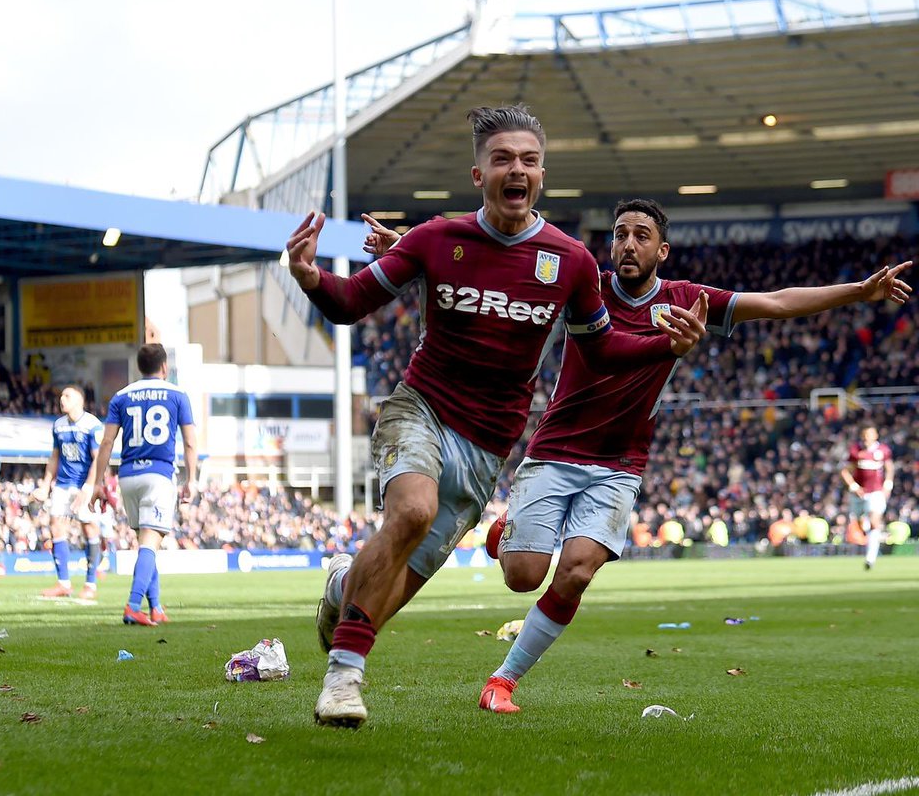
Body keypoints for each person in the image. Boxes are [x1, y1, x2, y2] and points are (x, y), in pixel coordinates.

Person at [361, 198, 912, 713]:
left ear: (661, 251)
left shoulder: (684, 300)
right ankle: (510, 533)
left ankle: (502, 681)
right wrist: (408, 245)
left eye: (641, 236)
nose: (627, 244)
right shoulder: (583, 284)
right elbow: (493, 261)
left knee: (576, 573)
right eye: (621, 235)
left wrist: (856, 292)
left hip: (619, 465)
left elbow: (774, 303)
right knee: (524, 578)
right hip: (554, 451)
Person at [287, 105, 706, 727]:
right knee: (412, 511)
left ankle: (343, 589)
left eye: (530, 160)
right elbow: (350, 303)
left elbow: (602, 348)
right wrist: (309, 276)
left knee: (399, 582)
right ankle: (343, 681)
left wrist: (663, 344)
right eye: (504, 158)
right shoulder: (436, 239)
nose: (518, 169)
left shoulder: (570, 261)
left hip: (488, 444)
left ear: (542, 175)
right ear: (478, 172)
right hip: (422, 408)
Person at [90, 344, 198, 626]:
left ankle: (156, 607)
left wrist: (98, 483)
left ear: (140, 367)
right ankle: (133, 605)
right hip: (158, 476)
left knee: (145, 543)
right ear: (164, 367)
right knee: (150, 543)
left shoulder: (121, 396)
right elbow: (189, 441)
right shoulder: (178, 395)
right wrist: (192, 479)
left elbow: (106, 442)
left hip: (128, 477)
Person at [37, 385, 104, 599]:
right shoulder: (58, 426)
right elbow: (55, 456)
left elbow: (98, 459)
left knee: (89, 529)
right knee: (56, 526)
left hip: (84, 484)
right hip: (63, 485)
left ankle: (90, 585)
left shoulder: (92, 425)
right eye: (61, 396)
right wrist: (46, 484)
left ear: (79, 401)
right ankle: (63, 583)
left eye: (67, 396)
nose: (62, 399)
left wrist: (89, 487)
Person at [841, 424, 895, 570]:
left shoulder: (883, 451)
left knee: (874, 521)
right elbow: (845, 471)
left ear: (875, 436)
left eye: (869, 435)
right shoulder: (856, 451)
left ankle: (870, 559)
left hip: (876, 492)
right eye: (864, 435)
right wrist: (854, 487)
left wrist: (888, 485)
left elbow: (890, 468)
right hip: (859, 493)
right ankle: (870, 533)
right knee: (859, 523)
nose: (866, 438)